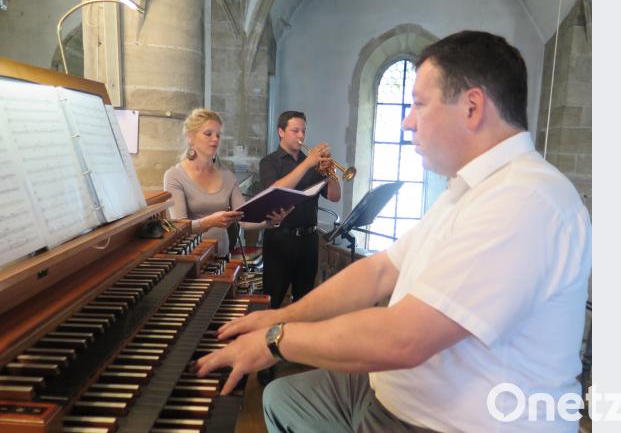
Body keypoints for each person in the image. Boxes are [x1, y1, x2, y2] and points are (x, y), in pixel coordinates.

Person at [194, 31, 592, 432]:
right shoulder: (467, 191)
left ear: (472, 107)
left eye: (419, 104)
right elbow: (380, 270)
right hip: (392, 389)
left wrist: (276, 339)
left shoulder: (524, 199)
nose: (406, 121)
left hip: (448, 422)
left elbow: (404, 338)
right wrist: (279, 316)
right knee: (284, 398)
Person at [164, 108, 289, 257]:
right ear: (190, 137)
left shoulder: (227, 176)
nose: (215, 139)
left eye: (218, 135)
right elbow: (180, 228)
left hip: (221, 258)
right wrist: (209, 222)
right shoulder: (174, 175)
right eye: (208, 134)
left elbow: (244, 220)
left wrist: (271, 222)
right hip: (191, 260)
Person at [259, 111, 342, 310]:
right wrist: (307, 163)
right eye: (295, 130)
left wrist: (332, 173)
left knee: (304, 303)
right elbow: (276, 190)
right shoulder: (269, 162)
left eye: (303, 130)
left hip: (308, 240)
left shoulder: (311, 163)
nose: (301, 136)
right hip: (279, 239)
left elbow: (334, 197)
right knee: (273, 300)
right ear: (281, 132)